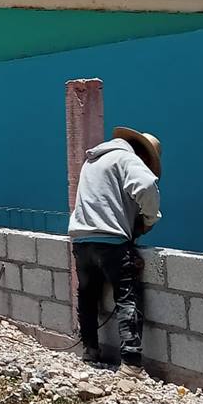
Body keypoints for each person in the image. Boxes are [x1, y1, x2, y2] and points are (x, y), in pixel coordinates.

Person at [68, 127, 162, 380]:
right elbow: (146, 185)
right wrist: (150, 218)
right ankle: (131, 364)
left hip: (82, 239)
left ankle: (90, 352)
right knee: (127, 297)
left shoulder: (93, 161)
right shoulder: (126, 158)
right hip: (111, 242)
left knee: (87, 296)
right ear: (142, 154)